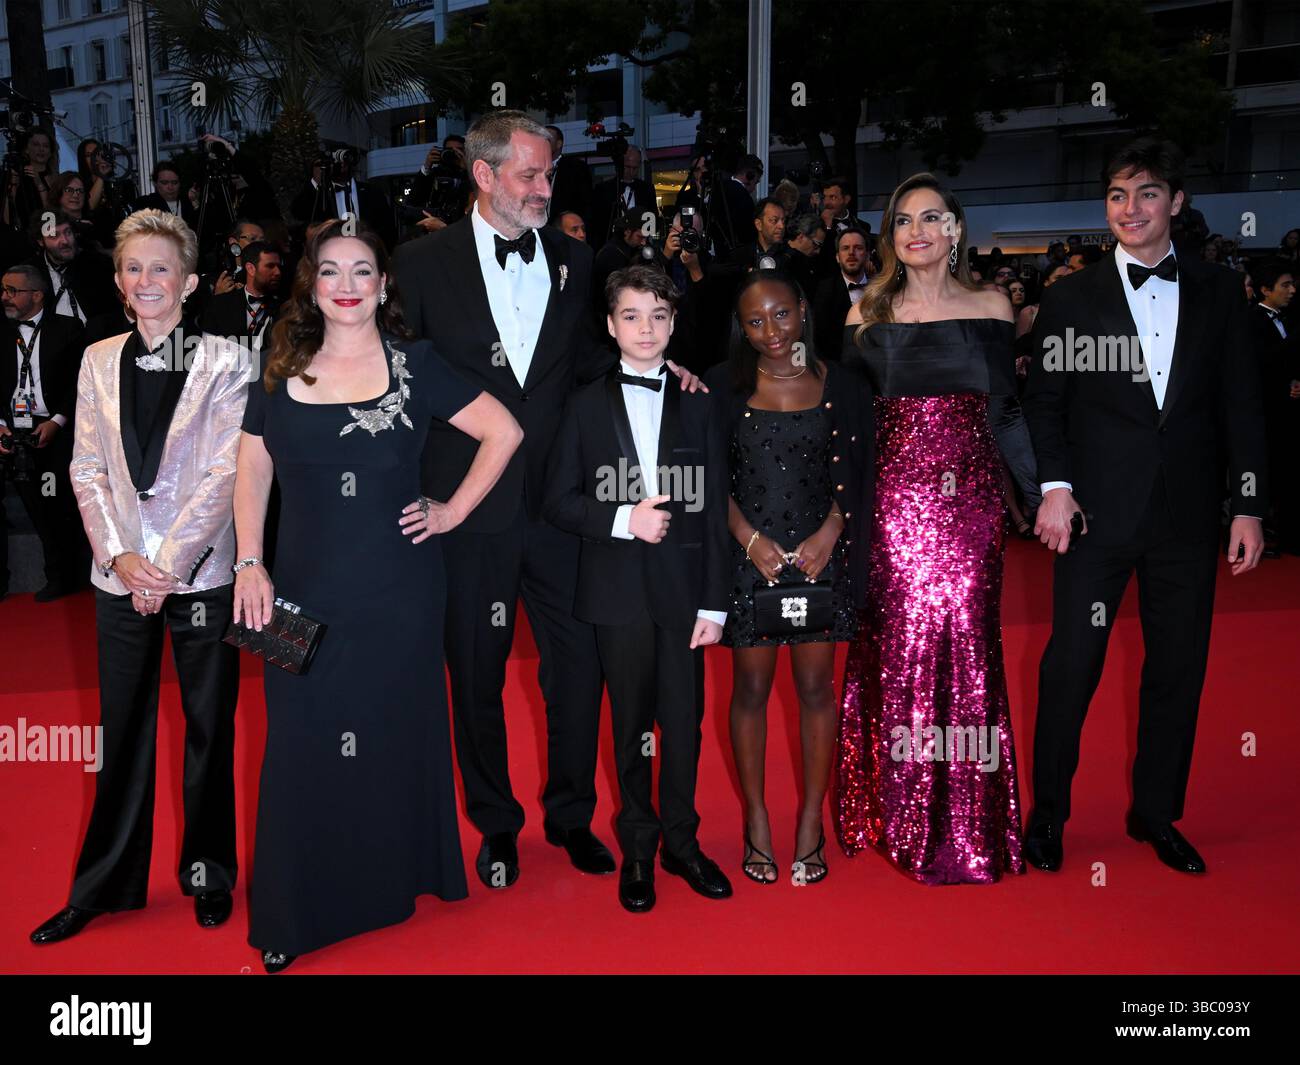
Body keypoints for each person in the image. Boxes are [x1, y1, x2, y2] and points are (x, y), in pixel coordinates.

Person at [394, 109, 703, 890]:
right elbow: (399, 387)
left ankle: (570, 815)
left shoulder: (574, 257)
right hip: (469, 507)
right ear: (485, 174)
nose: (543, 187)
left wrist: (680, 372)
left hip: (568, 510)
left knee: (580, 671)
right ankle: (497, 825)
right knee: (478, 670)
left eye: (549, 173)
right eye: (529, 174)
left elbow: (609, 355)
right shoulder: (421, 262)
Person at [232, 218, 520, 973]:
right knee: (296, 747)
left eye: (364, 271)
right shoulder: (281, 363)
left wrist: (452, 510)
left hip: (400, 591)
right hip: (290, 593)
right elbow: (251, 470)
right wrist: (248, 563)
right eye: (332, 271)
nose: (348, 286)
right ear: (312, 285)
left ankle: (395, 881)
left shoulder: (416, 365)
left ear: (384, 284)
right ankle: (295, 912)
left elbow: (504, 430)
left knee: (392, 731)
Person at [1023, 138, 1269, 875]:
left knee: (1177, 668)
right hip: (1095, 516)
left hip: (1187, 519)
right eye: (1118, 197)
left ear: (1177, 203)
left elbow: (1243, 406)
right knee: (1072, 666)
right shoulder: (1072, 295)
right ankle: (1049, 815)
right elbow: (1044, 406)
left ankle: (1155, 813)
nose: (1131, 210)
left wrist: (1248, 504)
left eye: (1148, 194)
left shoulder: (1221, 290)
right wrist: (1056, 489)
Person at [29, 209, 247, 945]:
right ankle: (104, 887)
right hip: (118, 575)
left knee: (209, 733)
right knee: (121, 733)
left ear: (188, 281)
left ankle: (209, 872)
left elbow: (226, 473)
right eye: (133, 268)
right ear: (119, 282)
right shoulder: (96, 359)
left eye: (160, 268)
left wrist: (169, 564)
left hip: (202, 575)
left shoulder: (228, 358)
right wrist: (122, 558)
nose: (146, 280)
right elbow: (84, 466)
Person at [837, 173, 1038, 885]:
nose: (915, 230)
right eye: (902, 221)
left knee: (970, 642)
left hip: (973, 503)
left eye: (932, 217)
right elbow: (849, 420)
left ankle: (971, 819)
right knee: (902, 646)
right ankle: (902, 813)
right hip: (895, 504)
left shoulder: (992, 305)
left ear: (956, 228)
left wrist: (1040, 493)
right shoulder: (868, 310)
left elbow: (1007, 412)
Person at [544, 265, 732, 912]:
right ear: (610, 324)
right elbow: (558, 499)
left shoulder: (701, 401)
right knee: (631, 730)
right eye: (631, 315)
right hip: (615, 592)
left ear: (674, 323)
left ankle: (684, 842)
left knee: (684, 724)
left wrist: (715, 601)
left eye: (657, 315)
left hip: (685, 595)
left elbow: (713, 510)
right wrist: (625, 518)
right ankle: (640, 849)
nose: (645, 328)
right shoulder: (584, 403)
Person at [706, 269, 867, 886]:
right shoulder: (720, 387)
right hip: (751, 562)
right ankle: (756, 821)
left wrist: (832, 529)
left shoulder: (843, 385)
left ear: (803, 310)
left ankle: (809, 823)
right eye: (755, 320)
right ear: (739, 327)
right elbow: (706, 479)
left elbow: (860, 471)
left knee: (816, 690)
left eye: (781, 314)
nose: (771, 331)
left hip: (821, 561)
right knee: (749, 691)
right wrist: (747, 539)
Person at [1, 264, 89, 600]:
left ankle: (74, 575)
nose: (5, 297)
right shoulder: (2, 331)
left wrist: (57, 421)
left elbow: (78, 383)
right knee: (36, 508)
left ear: (37, 295)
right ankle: (56, 576)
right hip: (14, 433)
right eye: (4, 290)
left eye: (13, 290)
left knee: (60, 504)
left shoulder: (68, 329)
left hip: (56, 433)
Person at [1250, 260, 1298, 556]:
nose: (1292, 290)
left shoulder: (1291, 319)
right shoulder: (1250, 321)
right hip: (1264, 416)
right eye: (1285, 285)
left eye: (1292, 284)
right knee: (1266, 474)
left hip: (1289, 415)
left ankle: (1288, 533)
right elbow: (1256, 368)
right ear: (1265, 290)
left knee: (1288, 475)